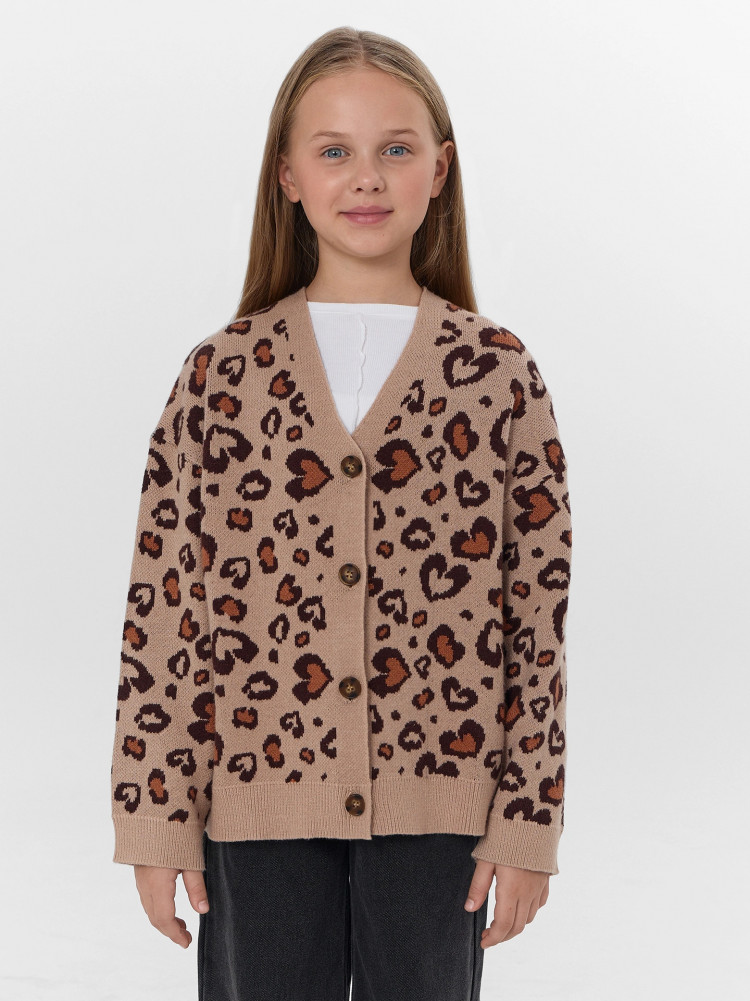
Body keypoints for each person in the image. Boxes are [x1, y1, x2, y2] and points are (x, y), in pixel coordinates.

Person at [110, 25, 573, 1001]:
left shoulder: (496, 375)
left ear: (440, 169)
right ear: (286, 174)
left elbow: (536, 616)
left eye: (395, 148)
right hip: (256, 803)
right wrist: (155, 817)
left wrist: (530, 819)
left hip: (441, 807)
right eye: (334, 151)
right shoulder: (220, 376)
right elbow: (166, 610)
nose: (366, 177)